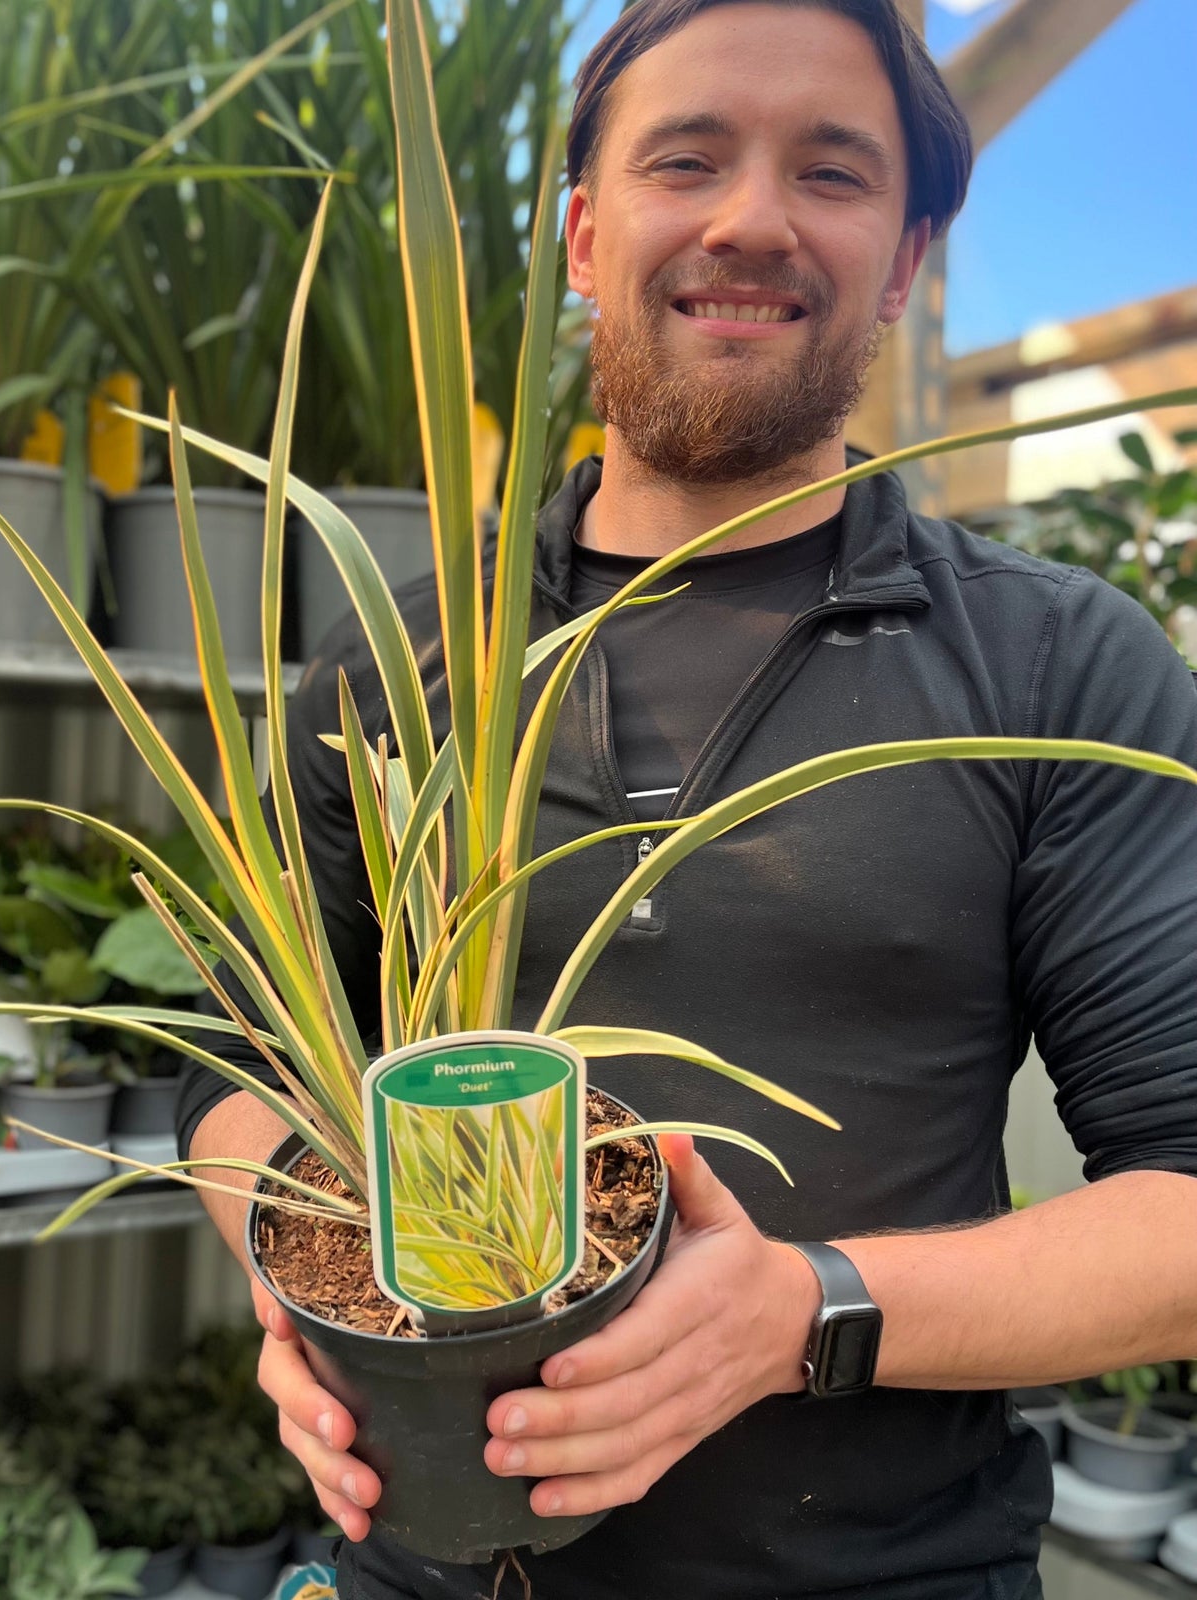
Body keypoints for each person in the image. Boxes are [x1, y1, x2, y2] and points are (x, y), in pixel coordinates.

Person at [177, 2, 1197, 1595]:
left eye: (834, 172)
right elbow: (241, 1072)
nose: (751, 218)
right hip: (423, 1565)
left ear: (906, 258)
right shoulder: (402, 662)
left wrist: (805, 1310)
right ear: (586, 235)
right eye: (688, 157)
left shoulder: (1060, 666)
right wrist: (297, 1274)